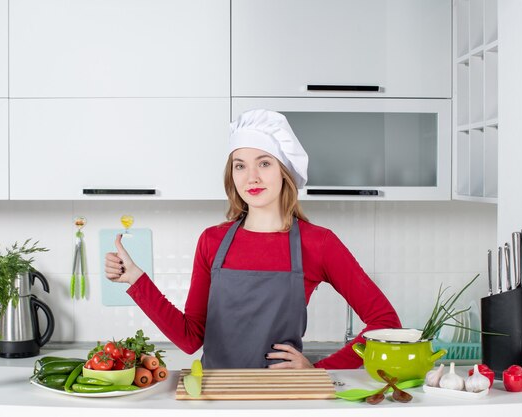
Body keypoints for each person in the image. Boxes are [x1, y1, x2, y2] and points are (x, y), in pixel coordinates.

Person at [105, 109, 401, 369]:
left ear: (284, 171)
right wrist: (136, 279)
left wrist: (319, 370)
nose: (252, 177)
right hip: (217, 397)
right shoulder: (212, 241)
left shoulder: (318, 243)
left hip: (281, 398)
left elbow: (386, 324)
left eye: (264, 163)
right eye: (240, 165)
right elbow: (190, 338)